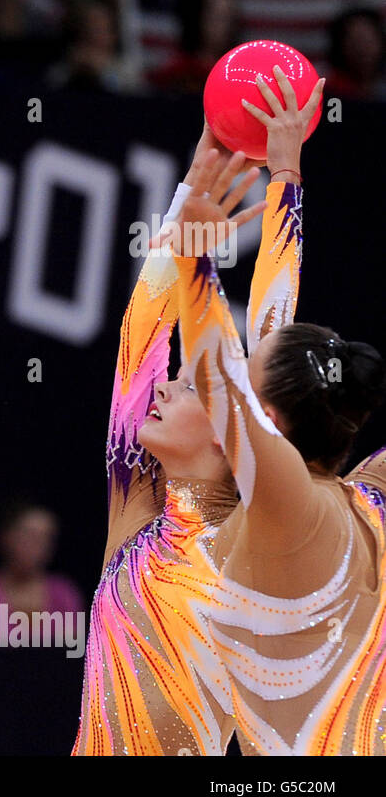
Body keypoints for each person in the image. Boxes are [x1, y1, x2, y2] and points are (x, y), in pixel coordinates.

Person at [74, 71, 321, 754]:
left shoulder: (252, 536)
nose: (160, 388)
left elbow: (272, 338)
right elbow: (137, 349)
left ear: (232, 427)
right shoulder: (135, 520)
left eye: (184, 387)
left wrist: (286, 177)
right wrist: (187, 201)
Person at [166, 71, 386, 755]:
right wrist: (284, 168)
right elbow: (265, 336)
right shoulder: (368, 495)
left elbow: (219, 374)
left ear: (268, 419)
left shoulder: (290, 504)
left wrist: (196, 263)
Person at [0, 501, 82, 642]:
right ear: (5, 538)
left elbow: (73, 651)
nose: (38, 546)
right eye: (30, 536)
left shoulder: (64, 592)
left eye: (47, 538)